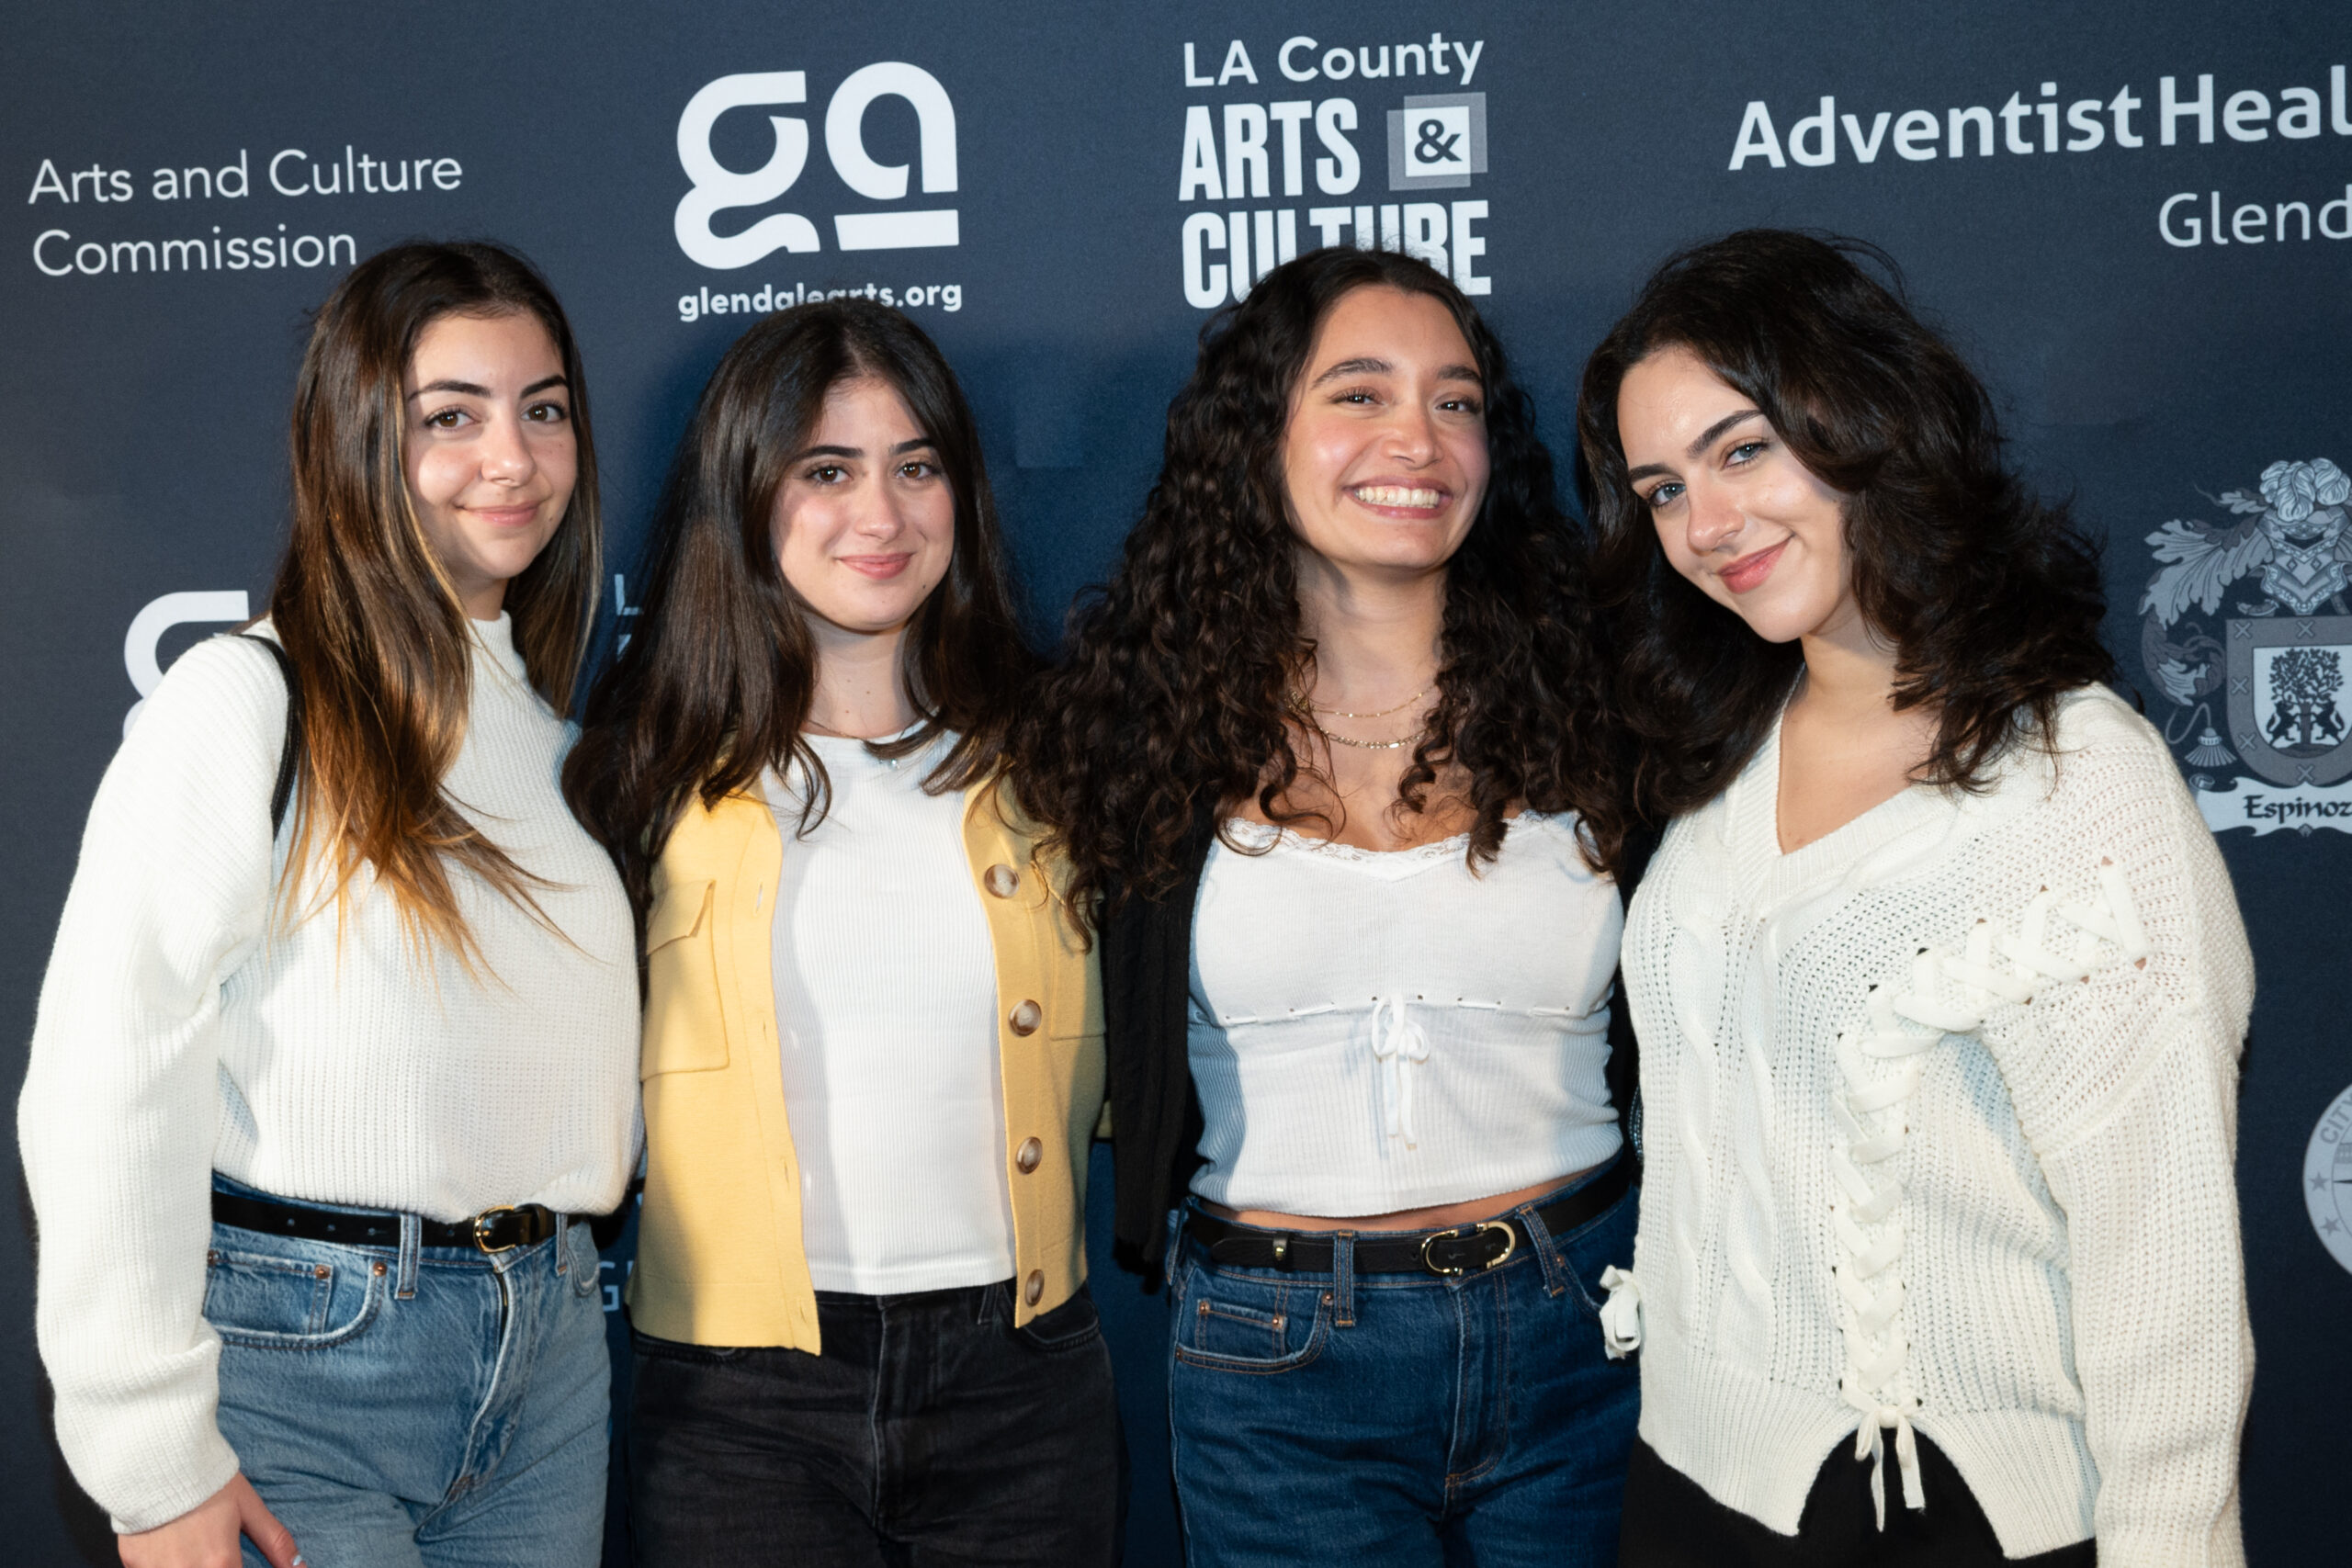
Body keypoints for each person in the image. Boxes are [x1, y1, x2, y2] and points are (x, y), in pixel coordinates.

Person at [1577, 229, 2254, 1567]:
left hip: (1945, 1511)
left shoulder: (2072, 780)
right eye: (1662, 489)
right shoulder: (1721, 751)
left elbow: (2163, 1266)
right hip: (1690, 1476)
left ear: (1863, 417)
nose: (1706, 526)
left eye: (1742, 450)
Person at [1015, 246, 1640, 1566]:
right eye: (1359, 393)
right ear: (1259, 436)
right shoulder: (1141, 728)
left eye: (1456, 401)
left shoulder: (1613, 700)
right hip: (1276, 1364)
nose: (1418, 438)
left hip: (1594, 1323)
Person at [19, 242, 637, 1567]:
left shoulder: (554, 740)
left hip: (552, 1370)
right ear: (356, 439)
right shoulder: (243, 704)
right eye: (450, 417)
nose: (513, 458)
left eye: (543, 408)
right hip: (303, 1373)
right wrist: (152, 1463)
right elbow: (108, 1079)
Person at [562, 298, 1119, 1567]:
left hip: (1026, 1387)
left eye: (916, 468)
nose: (881, 515)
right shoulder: (636, 782)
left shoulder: (1066, 761)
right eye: (827, 471)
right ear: (746, 492)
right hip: (736, 1408)